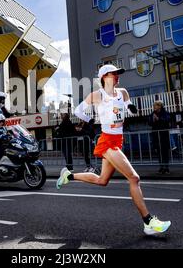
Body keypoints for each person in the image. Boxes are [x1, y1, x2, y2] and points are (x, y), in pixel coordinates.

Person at [57, 64, 171, 236]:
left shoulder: (123, 92)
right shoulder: (97, 95)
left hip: (118, 139)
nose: (118, 76)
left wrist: (131, 107)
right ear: (104, 77)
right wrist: (90, 119)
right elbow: (78, 110)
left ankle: (69, 175)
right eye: (114, 73)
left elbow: (128, 104)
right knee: (134, 178)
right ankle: (148, 222)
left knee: (102, 180)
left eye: (118, 73)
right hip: (108, 141)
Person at [148, 101, 171, 175]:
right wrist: (153, 120)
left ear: (160, 106)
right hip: (156, 136)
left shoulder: (165, 113)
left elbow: (167, 120)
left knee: (165, 152)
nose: (154, 107)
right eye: (154, 105)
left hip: (164, 136)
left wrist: (158, 119)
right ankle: (161, 167)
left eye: (155, 105)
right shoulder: (152, 113)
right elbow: (149, 122)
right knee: (159, 151)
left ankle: (166, 167)